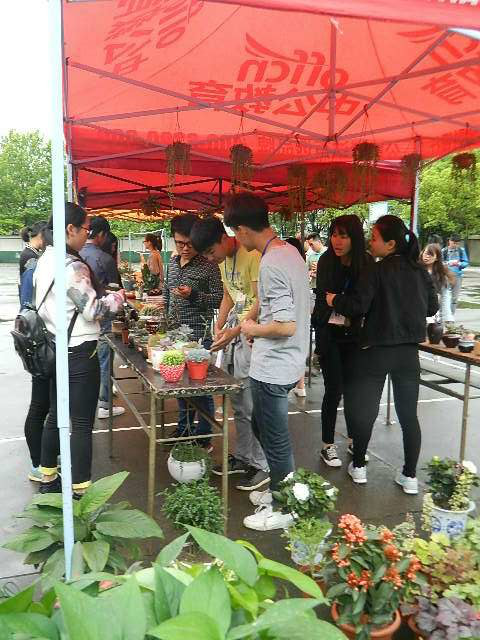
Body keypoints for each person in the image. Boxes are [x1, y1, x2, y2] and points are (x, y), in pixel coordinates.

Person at [327, 215, 438, 493]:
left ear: (390, 244)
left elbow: (357, 306)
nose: (370, 242)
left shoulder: (375, 270)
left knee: (366, 410)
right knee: (408, 415)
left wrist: (333, 299)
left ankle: (359, 467)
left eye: (374, 238)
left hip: (375, 350)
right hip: (408, 354)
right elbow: (431, 307)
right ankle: (410, 476)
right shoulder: (419, 272)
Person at [223, 192, 311, 531]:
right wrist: (253, 321)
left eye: (234, 232)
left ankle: (285, 505)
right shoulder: (288, 252)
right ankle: (279, 485)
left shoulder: (272, 262)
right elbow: (274, 306)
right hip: (287, 361)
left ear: (243, 230)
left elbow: (286, 325)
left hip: (274, 367)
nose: (236, 239)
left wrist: (251, 328)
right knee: (262, 425)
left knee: (275, 440)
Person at [34, 203, 124, 496]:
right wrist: (118, 298)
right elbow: (93, 310)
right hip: (79, 351)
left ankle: (48, 478)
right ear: (70, 229)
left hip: (54, 347)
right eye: (85, 229)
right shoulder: (71, 266)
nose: (88, 235)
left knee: (55, 415)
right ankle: (80, 490)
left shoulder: (45, 260)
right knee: (82, 424)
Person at [190, 216, 269, 491]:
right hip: (237, 333)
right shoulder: (224, 261)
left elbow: (260, 300)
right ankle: (244, 457)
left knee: (253, 404)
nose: (210, 259)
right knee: (238, 402)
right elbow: (228, 295)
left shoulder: (253, 256)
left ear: (224, 238)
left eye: (211, 251)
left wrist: (235, 330)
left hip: (252, 336)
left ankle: (262, 464)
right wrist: (219, 325)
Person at [313, 215, 372, 468]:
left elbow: (362, 304)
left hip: (355, 337)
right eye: (334, 235)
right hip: (329, 336)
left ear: (354, 238)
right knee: (334, 389)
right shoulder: (326, 260)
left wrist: (337, 301)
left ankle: (353, 440)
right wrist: (342, 306)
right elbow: (322, 299)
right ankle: (327, 445)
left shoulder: (366, 262)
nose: (337, 241)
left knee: (354, 391)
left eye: (344, 236)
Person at [164, 214, 223, 449]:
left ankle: (204, 436)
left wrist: (194, 295)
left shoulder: (209, 266)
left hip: (199, 336)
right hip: (175, 335)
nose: (185, 248)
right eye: (180, 243)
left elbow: (218, 299)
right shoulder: (172, 263)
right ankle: (184, 428)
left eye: (189, 244)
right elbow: (167, 295)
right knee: (180, 386)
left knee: (200, 388)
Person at [80, 216, 125, 419]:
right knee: (105, 359)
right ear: (101, 235)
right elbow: (116, 291)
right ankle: (105, 403)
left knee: (87, 361)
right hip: (102, 317)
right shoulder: (104, 258)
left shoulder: (76, 255)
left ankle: (88, 402)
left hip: (80, 321)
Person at [19, 226, 53, 482]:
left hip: (35, 342)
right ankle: (38, 464)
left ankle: (43, 460)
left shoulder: (35, 264)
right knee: (41, 405)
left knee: (43, 404)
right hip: (41, 343)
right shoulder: (37, 265)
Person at [286, 237, 308, 398]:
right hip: (302, 315)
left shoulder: (287, 267)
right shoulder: (302, 266)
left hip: (290, 316)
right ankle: (300, 385)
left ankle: (296, 384)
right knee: (299, 350)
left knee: (291, 350)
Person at [421, 244, 455, 327]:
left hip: (433, 308)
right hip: (418, 306)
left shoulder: (441, 272)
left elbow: (446, 294)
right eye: (425, 253)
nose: (427, 256)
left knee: (433, 329)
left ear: (436, 258)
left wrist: (448, 316)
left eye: (430, 254)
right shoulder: (416, 268)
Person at [441, 234, 469, 316]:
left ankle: (451, 315)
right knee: (444, 296)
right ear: (449, 241)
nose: (455, 245)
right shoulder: (444, 251)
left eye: (457, 243)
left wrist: (459, 264)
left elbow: (466, 262)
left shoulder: (461, 250)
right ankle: (442, 314)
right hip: (446, 276)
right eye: (454, 243)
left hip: (457, 276)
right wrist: (447, 263)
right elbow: (439, 263)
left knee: (454, 297)